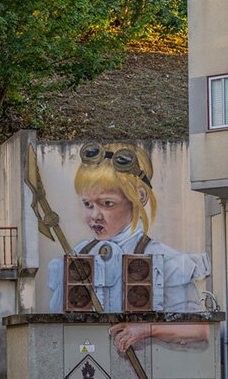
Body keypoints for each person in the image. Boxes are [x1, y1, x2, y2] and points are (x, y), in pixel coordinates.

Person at [47, 142, 211, 351]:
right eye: (87, 204)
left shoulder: (164, 258)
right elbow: (55, 326)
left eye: (107, 203)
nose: (95, 215)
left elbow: (199, 329)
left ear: (140, 197)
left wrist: (148, 329)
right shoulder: (76, 257)